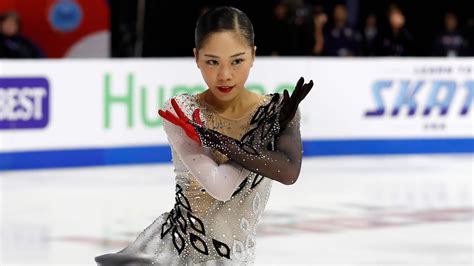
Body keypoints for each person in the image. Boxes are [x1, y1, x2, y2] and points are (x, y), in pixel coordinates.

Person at [94, 6, 313, 265]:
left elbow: (289, 172)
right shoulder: (183, 110)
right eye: (212, 61)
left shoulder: (279, 110)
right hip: (175, 254)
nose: (225, 75)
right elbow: (220, 187)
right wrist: (261, 132)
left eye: (237, 60)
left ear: (253, 55)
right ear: (196, 57)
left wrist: (257, 129)